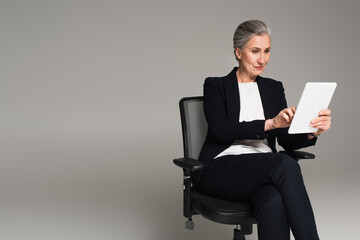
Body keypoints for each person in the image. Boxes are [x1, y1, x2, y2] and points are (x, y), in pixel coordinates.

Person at [196, 20, 331, 240]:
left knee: (272, 199)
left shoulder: (273, 88)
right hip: (222, 168)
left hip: (264, 171)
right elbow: (220, 130)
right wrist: (270, 123)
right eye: (255, 51)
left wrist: (311, 131)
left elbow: (285, 140)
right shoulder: (215, 86)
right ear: (238, 52)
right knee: (284, 164)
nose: (262, 59)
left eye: (267, 51)